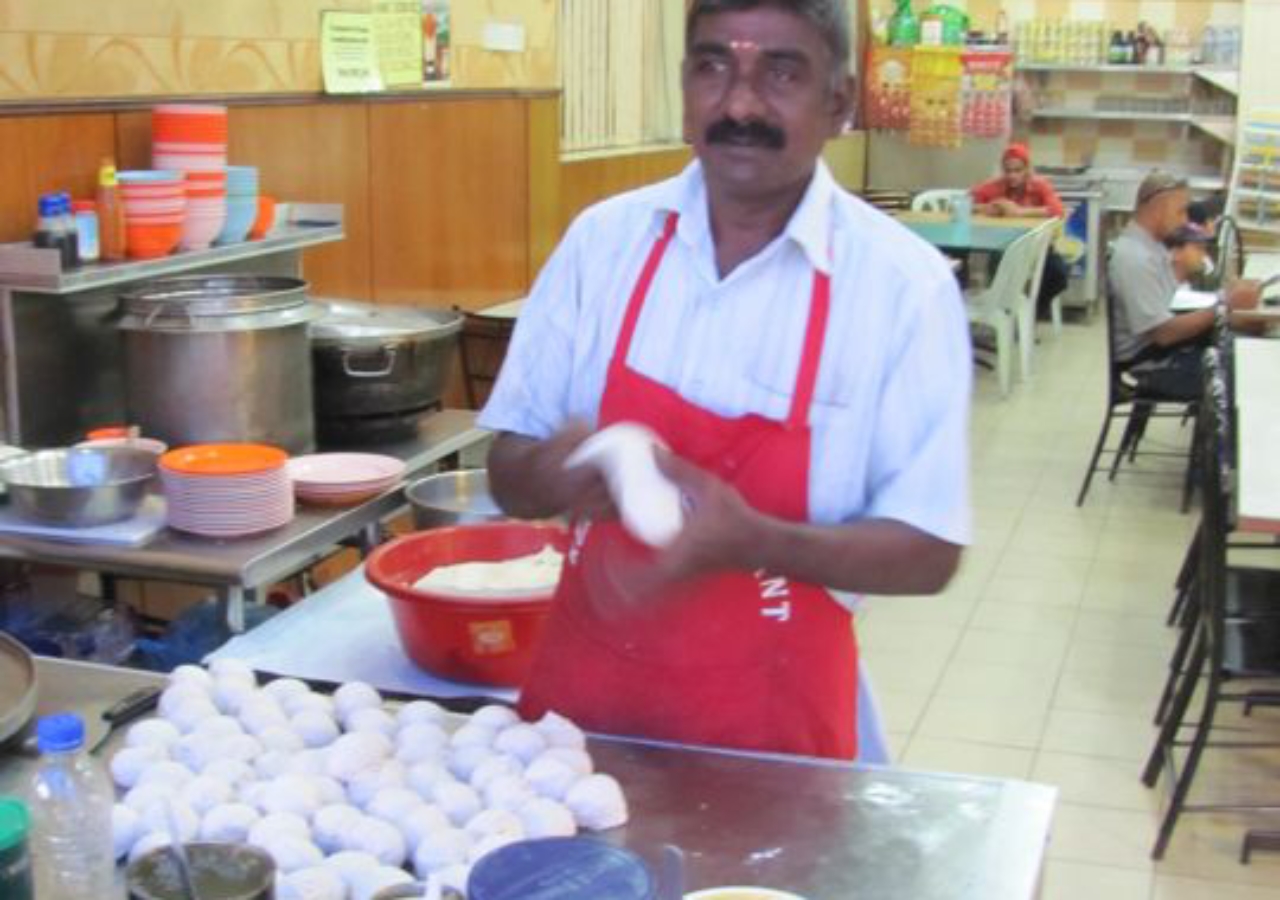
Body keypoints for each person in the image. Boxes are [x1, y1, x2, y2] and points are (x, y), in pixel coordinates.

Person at [479, 0, 972, 763]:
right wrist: (551, 470)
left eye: (781, 72)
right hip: (579, 731)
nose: (740, 104)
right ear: (683, 86)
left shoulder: (900, 288)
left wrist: (754, 541)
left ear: (839, 102)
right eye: (714, 66)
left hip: (772, 743)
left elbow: (929, 550)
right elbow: (507, 470)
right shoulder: (603, 244)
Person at [1110, 171, 1259, 400]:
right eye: (1180, 211)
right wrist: (1223, 306)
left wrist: (1224, 297)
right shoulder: (1135, 257)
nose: (1184, 221)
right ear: (1158, 207)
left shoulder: (1152, 247)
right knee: (1241, 377)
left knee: (1238, 350)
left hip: (1160, 352)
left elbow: (1172, 300)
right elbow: (1164, 334)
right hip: (1148, 365)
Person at [971, 143, 1068, 318]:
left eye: (1018, 170)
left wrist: (1020, 211)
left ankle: (1032, 314)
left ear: (1027, 169)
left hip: (1037, 248)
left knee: (1059, 275)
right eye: (1008, 171)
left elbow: (1058, 211)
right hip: (1004, 247)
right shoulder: (996, 186)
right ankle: (1001, 316)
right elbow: (968, 202)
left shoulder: (1039, 185)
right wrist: (987, 208)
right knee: (1001, 272)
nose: (1012, 176)